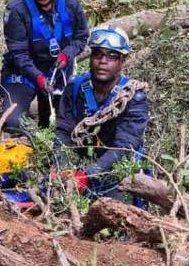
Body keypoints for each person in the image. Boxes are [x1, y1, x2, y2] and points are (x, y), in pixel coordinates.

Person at [54, 25, 148, 198]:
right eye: (98, 54)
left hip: (115, 177)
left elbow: (124, 147)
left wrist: (89, 174)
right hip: (77, 168)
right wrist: (64, 167)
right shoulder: (75, 88)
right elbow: (63, 131)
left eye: (112, 56)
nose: (103, 61)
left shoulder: (133, 98)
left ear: (122, 61)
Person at [1, 0, 89, 134]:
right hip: (24, 73)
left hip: (58, 72)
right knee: (12, 123)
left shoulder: (71, 4)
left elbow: (81, 37)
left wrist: (67, 54)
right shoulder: (17, 10)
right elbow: (18, 54)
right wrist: (38, 77)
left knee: (61, 125)